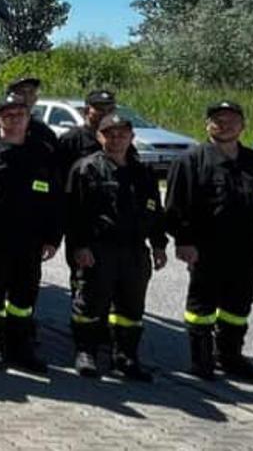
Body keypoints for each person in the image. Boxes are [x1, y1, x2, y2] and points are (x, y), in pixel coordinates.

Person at [166, 100, 253, 384]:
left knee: (238, 307)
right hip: (205, 249)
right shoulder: (190, 161)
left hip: (248, 250)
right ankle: (201, 361)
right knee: (202, 307)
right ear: (207, 125)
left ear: (243, 125)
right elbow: (177, 206)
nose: (225, 125)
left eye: (232, 120)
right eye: (218, 120)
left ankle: (230, 357)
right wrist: (183, 241)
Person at [66, 113, 168, 381]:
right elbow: (73, 213)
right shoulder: (86, 168)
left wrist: (159, 245)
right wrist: (79, 247)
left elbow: (155, 211)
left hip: (135, 251)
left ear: (132, 138)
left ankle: (125, 358)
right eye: (110, 134)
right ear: (100, 137)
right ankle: (85, 353)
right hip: (99, 249)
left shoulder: (143, 173)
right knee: (90, 304)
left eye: (122, 134)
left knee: (131, 309)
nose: (116, 139)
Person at [0, 92, 63, 373]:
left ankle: (20, 348)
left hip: (31, 240)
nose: (14, 120)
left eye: (20, 115)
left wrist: (52, 237)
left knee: (24, 297)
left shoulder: (43, 151)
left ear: (28, 118)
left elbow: (55, 198)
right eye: (8, 115)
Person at [57, 90, 117, 177]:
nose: (106, 114)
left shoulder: (119, 140)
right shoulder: (72, 138)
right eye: (100, 109)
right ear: (86, 110)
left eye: (110, 110)